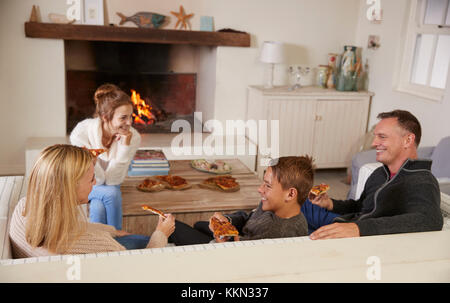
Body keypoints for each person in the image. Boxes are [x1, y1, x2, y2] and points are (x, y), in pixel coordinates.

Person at [9, 144, 175, 258]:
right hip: (128, 265)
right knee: (166, 245)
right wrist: (161, 234)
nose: (95, 183)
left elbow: (71, 229)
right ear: (69, 187)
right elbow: (143, 268)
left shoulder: (25, 207)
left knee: (136, 237)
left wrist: (112, 231)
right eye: (91, 179)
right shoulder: (99, 246)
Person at [304, 110, 443, 240]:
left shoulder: (421, 180)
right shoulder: (380, 173)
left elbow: (429, 220)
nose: (374, 143)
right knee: (297, 198)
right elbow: (360, 206)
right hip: (346, 222)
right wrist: (330, 204)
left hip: (358, 235)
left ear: (407, 140)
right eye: (375, 137)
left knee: (290, 211)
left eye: (382, 137)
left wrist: (360, 228)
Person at [169, 156, 313, 245]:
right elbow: (247, 217)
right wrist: (226, 220)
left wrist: (226, 240)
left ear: (290, 194)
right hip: (238, 236)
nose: (260, 189)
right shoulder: (272, 205)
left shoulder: (278, 233)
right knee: (199, 224)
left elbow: (244, 259)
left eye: (268, 185)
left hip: (229, 250)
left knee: (174, 227)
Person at [70, 83, 141, 230]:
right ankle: (117, 236)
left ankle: (98, 247)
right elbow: (99, 180)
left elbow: (114, 180)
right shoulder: (81, 133)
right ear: (105, 117)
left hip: (108, 187)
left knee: (99, 207)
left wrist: (124, 147)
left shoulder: (132, 136)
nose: (129, 123)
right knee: (112, 193)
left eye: (131, 116)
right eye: (123, 118)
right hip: (81, 186)